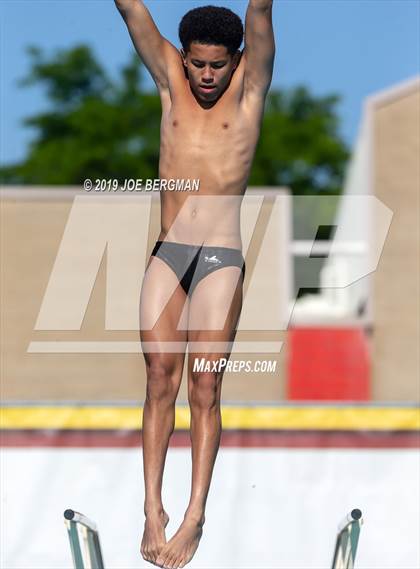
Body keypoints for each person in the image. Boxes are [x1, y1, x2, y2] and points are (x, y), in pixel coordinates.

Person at [114, 1, 275, 567]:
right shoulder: (169, 80)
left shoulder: (251, 87)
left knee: (203, 388)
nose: (207, 78)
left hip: (219, 257)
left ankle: (194, 514)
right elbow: (131, 8)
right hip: (170, 251)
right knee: (160, 375)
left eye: (218, 66)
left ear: (238, 61)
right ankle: (152, 505)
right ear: (183, 59)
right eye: (198, 66)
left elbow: (260, 8)